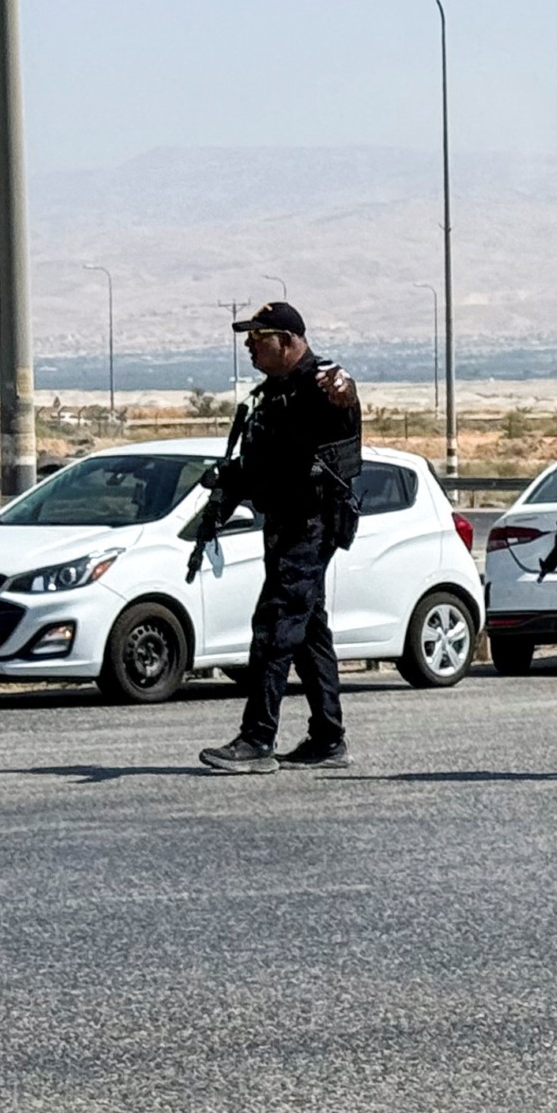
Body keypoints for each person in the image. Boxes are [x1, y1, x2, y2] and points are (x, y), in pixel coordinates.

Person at [196, 302, 362, 774]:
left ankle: (257, 738)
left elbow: (344, 407)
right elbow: (262, 459)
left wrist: (345, 391)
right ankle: (328, 738)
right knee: (309, 631)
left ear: (287, 341)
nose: (249, 345)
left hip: (311, 522)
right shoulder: (272, 392)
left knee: (275, 623)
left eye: (258, 337)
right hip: (285, 521)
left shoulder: (322, 384)